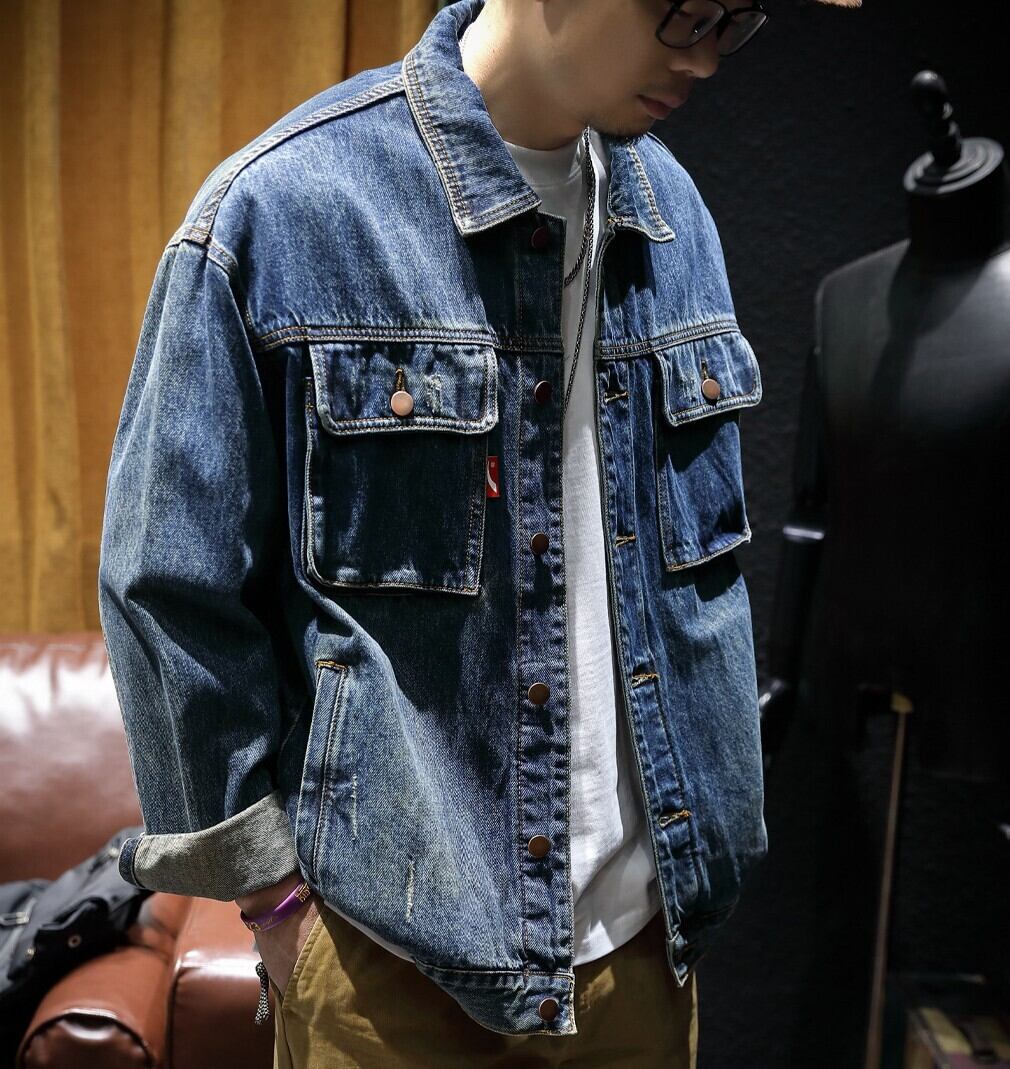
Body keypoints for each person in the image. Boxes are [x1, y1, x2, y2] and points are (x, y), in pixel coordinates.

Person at [98, 0, 858, 1066]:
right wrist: (272, 901)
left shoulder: (672, 214)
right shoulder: (287, 211)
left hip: (644, 959)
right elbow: (165, 584)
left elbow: (695, 584)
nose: (704, 59)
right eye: (686, 10)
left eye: (738, 21)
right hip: (389, 975)